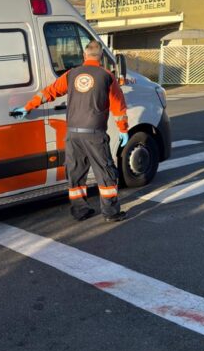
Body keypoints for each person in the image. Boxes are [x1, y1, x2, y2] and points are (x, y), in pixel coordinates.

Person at [11, 41, 129, 222]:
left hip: (73, 134)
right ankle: (110, 213)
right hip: (94, 134)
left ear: (84, 56)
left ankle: (80, 210)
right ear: (101, 58)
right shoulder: (107, 76)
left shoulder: (71, 74)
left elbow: (49, 92)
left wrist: (28, 106)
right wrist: (123, 130)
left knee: (76, 173)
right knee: (105, 173)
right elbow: (118, 107)